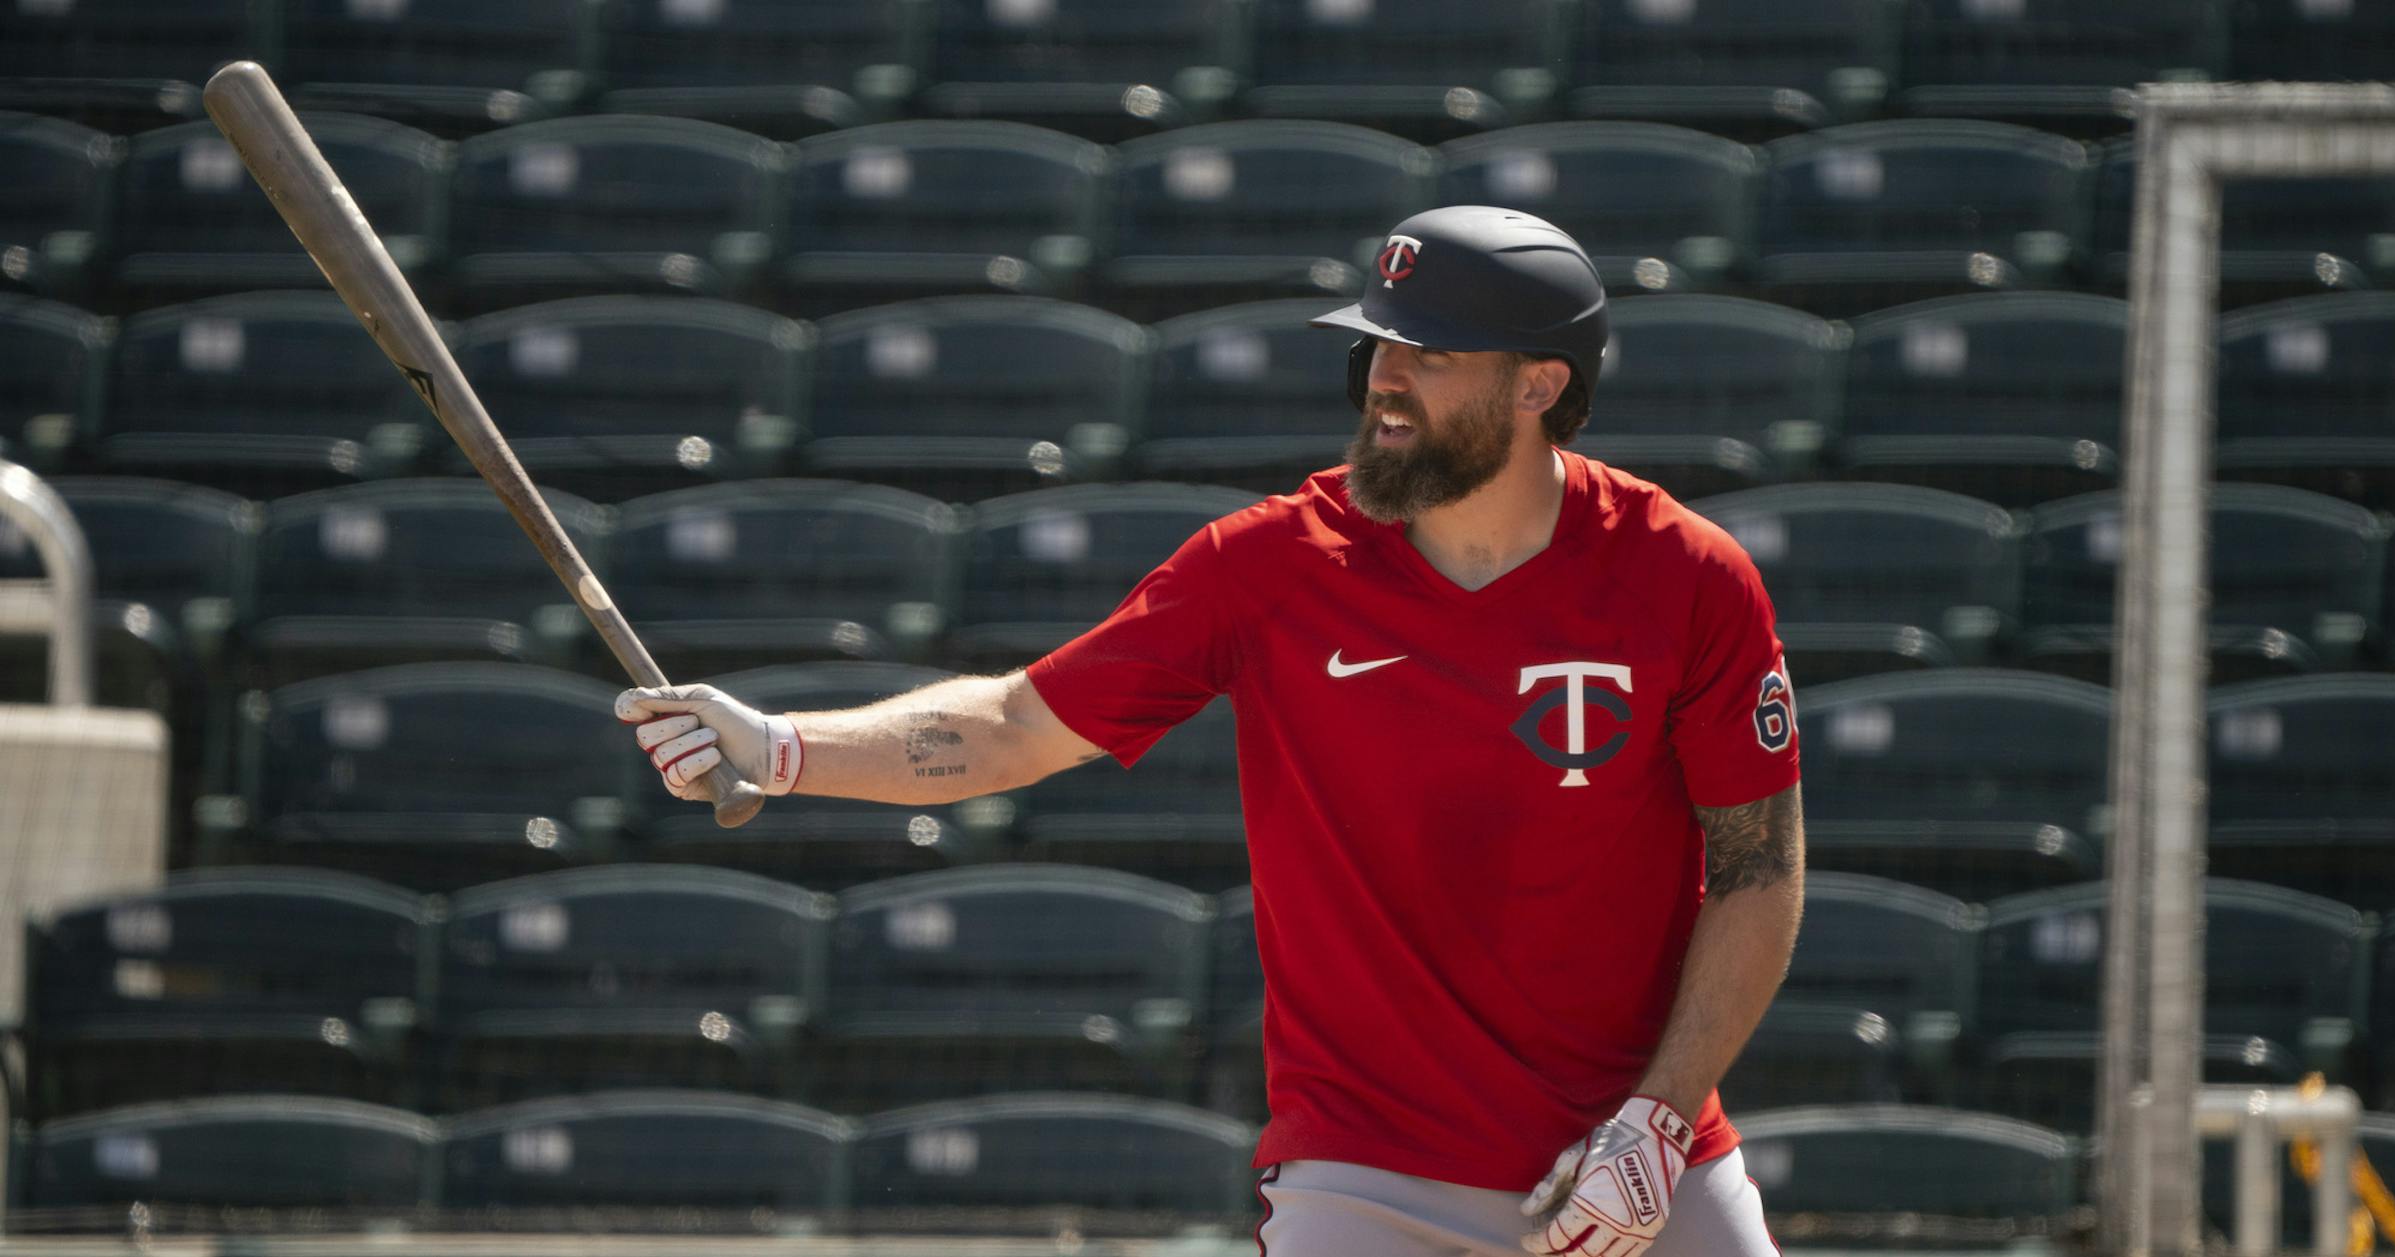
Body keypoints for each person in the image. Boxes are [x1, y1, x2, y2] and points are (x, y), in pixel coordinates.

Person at [617, 205, 1805, 1257]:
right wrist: (777, 748)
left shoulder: (1690, 578)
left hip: (1641, 1156)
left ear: (1539, 385)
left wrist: (1659, 1122)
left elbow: (1758, 871)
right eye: (1377, 346)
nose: (1384, 381)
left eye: (1429, 354)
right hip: (1365, 1171)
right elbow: (1017, 725)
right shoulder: (1269, 564)